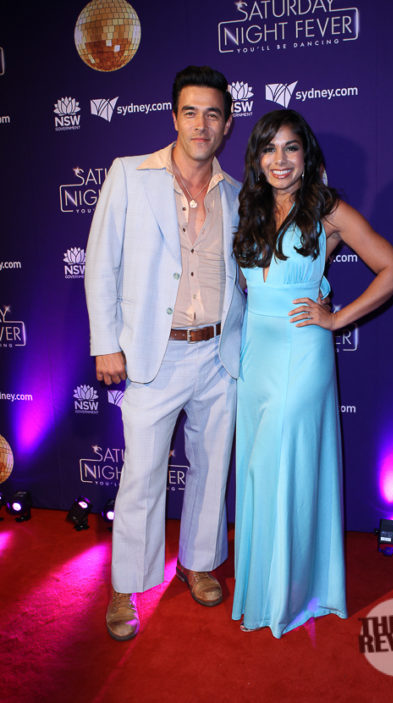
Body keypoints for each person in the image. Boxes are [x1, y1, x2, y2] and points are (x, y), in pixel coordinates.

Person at [231, 109, 393, 638]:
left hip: (301, 351)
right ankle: (265, 585)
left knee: (284, 464)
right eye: (269, 149)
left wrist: (335, 318)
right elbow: (249, 283)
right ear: (257, 158)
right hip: (255, 354)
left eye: (291, 148)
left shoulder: (327, 209)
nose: (280, 160)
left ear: (307, 156)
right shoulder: (250, 206)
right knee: (260, 471)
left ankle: (285, 596)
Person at [85, 66, 245, 641]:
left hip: (220, 355)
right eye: (191, 112)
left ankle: (197, 563)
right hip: (155, 356)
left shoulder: (236, 193)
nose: (201, 124)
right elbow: (100, 264)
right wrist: (106, 343)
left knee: (212, 468)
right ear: (174, 117)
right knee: (142, 476)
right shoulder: (130, 175)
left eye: (212, 114)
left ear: (227, 125)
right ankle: (126, 584)